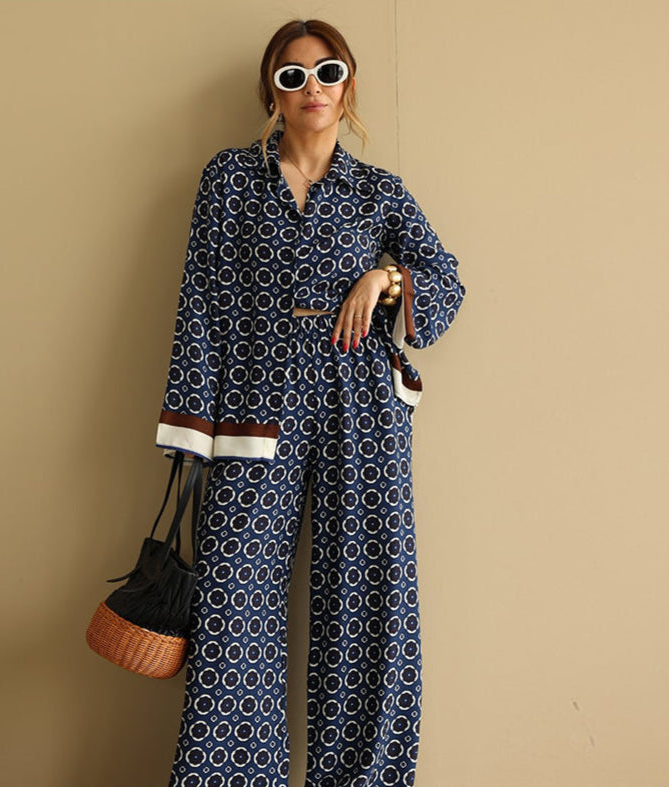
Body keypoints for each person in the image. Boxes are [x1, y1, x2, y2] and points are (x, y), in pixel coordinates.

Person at [156, 18, 466, 787]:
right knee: (234, 603)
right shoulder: (229, 179)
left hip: (360, 405)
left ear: (347, 83)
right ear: (272, 92)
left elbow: (446, 279)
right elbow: (202, 301)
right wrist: (190, 428)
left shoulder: (377, 191)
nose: (311, 87)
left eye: (327, 71)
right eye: (291, 75)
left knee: (365, 600)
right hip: (253, 407)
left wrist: (384, 278)